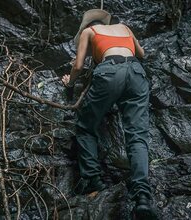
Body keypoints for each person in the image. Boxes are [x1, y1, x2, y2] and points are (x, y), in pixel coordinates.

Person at [62, 9, 157, 219]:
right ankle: (142, 197)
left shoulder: (89, 31)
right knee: (137, 136)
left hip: (109, 72)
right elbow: (141, 54)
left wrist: (70, 82)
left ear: (88, 24)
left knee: (86, 126)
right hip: (136, 72)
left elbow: (78, 65)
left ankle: (94, 180)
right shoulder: (124, 28)